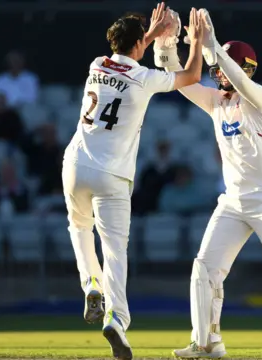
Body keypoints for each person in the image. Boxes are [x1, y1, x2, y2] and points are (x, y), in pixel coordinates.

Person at [153, 9, 262, 359]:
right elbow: (182, 81)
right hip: (233, 201)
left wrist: (212, 45)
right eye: (216, 69)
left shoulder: (259, 99)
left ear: (246, 68)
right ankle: (206, 343)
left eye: (224, 68)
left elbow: (237, 78)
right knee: (205, 267)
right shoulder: (217, 102)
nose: (218, 74)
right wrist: (165, 49)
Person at [61, 4, 205, 359]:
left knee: (79, 228)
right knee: (115, 252)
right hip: (113, 175)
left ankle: (90, 285)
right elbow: (190, 77)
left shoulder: (96, 65)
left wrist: (147, 34)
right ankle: (116, 319)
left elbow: (125, 54)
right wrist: (197, 42)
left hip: (76, 164)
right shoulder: (145, 78)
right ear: (140, 43)